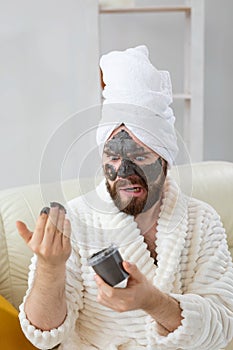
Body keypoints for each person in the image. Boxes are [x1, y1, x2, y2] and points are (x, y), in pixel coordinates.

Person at [16, 46, 233, 350]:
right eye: (112, 156)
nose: (123, 171)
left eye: (140, 155)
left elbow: (224, 325)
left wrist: (154, 302)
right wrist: (50, 268)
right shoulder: (76, 220)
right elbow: (43, 333)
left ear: (165, 159)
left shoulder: (202, 221)